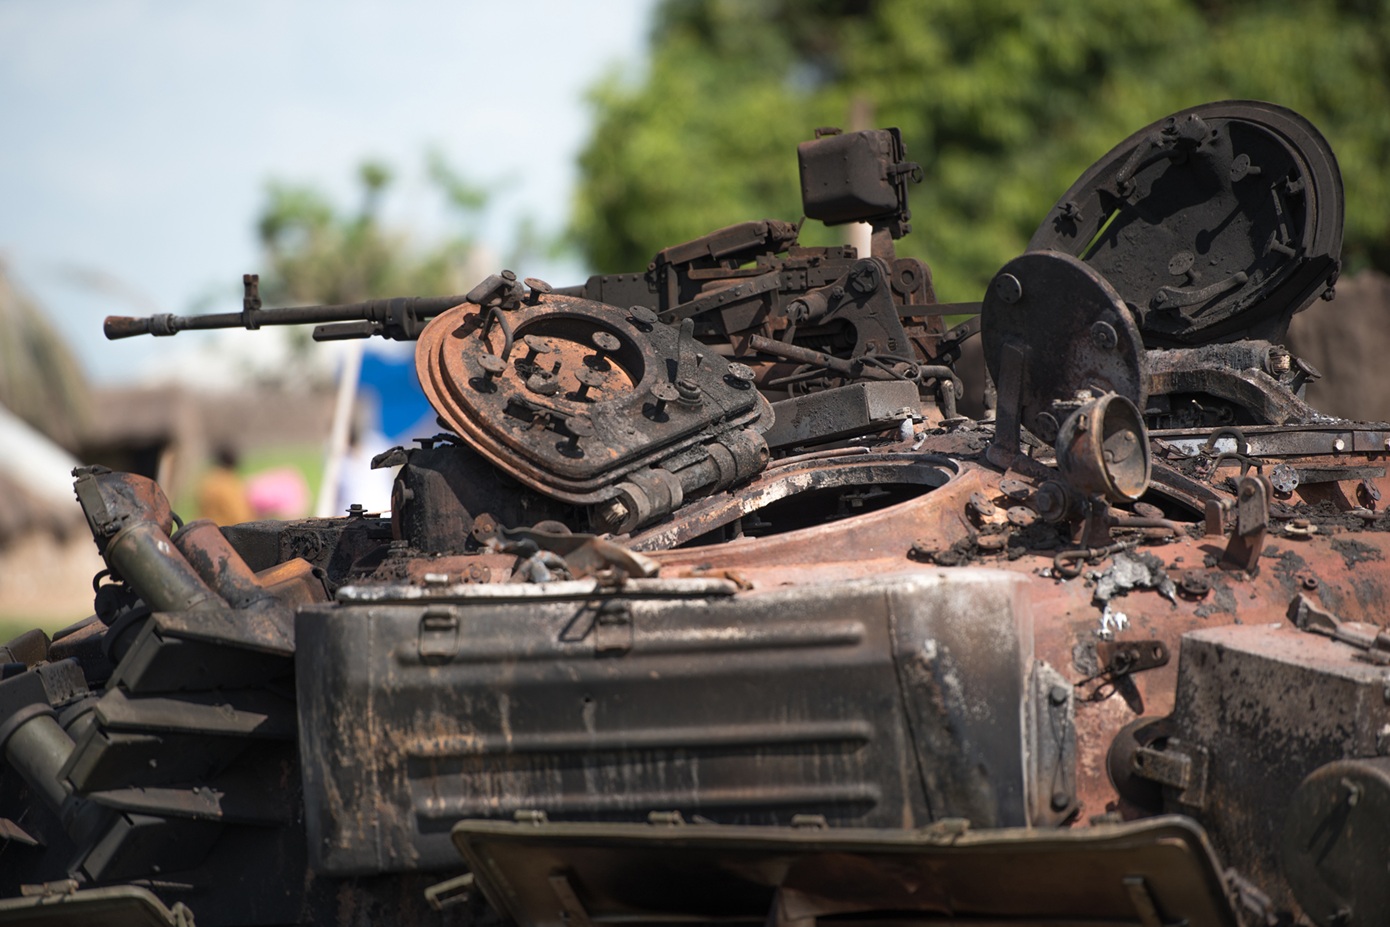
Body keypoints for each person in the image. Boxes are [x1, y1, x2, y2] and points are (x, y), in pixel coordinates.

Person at [196, 446, 254, 526]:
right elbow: (239, 516)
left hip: (206, 528)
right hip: (225, 532)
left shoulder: (207, 480)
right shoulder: (228, 483)